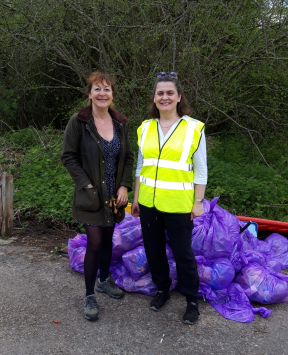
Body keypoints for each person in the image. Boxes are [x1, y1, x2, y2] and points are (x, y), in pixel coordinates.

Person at [131, 72, 207, 325]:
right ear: (154, 98)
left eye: (169, 93)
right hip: (149, 204)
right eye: (160, 93)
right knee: (153, 251)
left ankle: (192, 302)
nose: (164, 97)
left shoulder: (193, 128)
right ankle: (163, 289)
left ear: (178, 97)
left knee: (183, 254)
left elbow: (201, 169)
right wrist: (136, 197)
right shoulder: (145, 127)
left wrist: (198, 202)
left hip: (178, 204)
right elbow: (141, 165)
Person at [61, 71, 134, 321]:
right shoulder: (79, 122)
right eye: (97, 89)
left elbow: (128, 158)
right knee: (93, 242)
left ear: (112, 94)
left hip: (115, 198)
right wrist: (85, 184)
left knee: (106, 241)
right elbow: (68, 156)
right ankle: (89, 295)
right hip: (91, 196)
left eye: (107, 89)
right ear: (89, 93)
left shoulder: (121, 123)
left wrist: (124, 186)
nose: (102, 93)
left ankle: (104, 280)